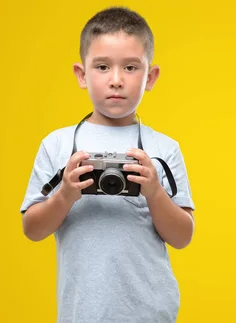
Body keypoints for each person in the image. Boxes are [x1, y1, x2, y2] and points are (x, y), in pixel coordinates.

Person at [19, 6, 196, 323]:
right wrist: (66, 193)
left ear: (150, 77)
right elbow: (32, 229)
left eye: (130, 67)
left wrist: (154, 191)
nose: (116, 80)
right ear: (82, 75)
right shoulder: (58, 145)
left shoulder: (164, 150)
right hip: (82, 313)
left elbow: (182, 237)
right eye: (102, 67)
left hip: (151, 313)